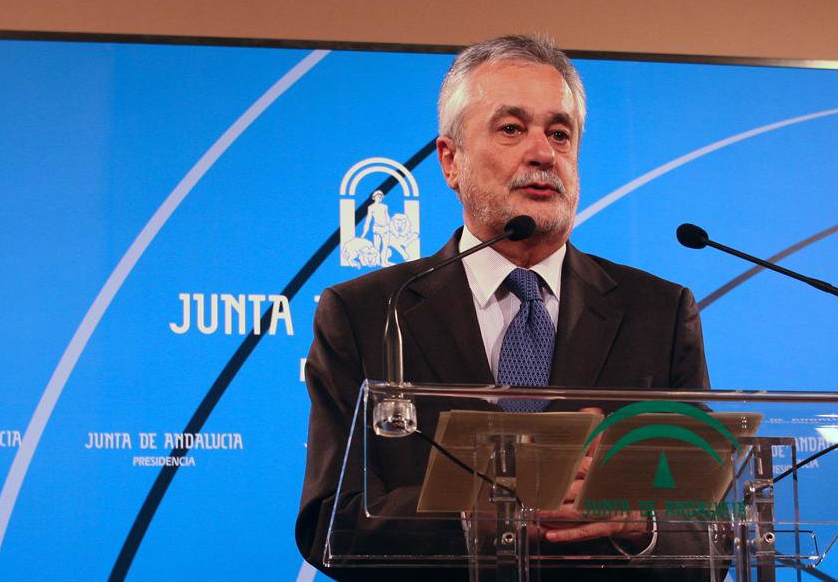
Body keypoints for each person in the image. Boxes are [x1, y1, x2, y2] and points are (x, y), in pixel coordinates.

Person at [297, 35, 712, 581]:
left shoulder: (658, 312)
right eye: (512, 129)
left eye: (559, 133)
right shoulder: (367, 313)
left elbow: (712, 530)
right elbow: (331, 522)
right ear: (451, 161)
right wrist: (481, 514)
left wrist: (641, 524)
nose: (543, 154)